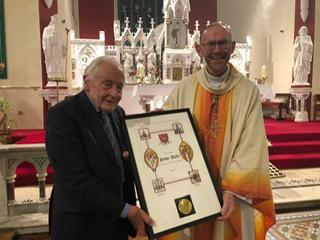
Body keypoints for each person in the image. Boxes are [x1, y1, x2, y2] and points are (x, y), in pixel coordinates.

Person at [161, 22, 275, 240]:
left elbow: (252, 143)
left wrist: (232, 189)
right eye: (210, 44)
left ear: (232, 47)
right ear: (199, 49)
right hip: (191, 187)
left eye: (223, 43)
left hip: (233, 192)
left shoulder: (248, 91)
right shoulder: (184, 88)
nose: (217, 50)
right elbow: (167, 130)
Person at [46, 56, 154, 240]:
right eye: (107, 84)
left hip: (115, 222)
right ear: (87, 82)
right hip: (81, 224)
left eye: (119, 87)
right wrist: (126, 210)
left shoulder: (117, 113)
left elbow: (120, 156)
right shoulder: (63, 115)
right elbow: (76, 179)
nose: (115, 93)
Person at [42, 14, 67, 80]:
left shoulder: (60, 31)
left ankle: (60, 78)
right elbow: (46, 43)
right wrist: (50, 51)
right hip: (52, 53)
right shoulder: (48, 30)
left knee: (59, 68)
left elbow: (62, 42)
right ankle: (52, 80)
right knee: (52, 67)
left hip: (59, 54)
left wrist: (64, 48)